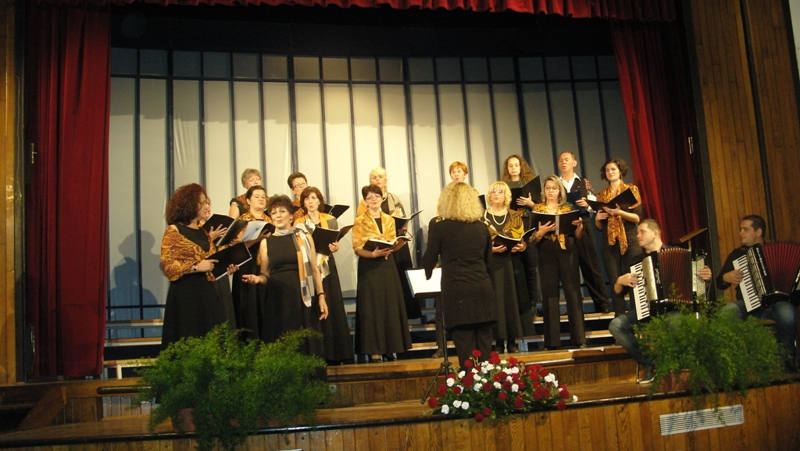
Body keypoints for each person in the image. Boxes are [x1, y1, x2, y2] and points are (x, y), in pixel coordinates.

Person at [609, 219, 712, 383]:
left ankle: (681, 367)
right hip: (646, 312)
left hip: (674, 310)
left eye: (642, 231)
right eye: (637, 232)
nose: (638, 235)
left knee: (674, 321)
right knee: (616, 325)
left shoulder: (681, 254)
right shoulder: (636, 261)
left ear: (655, 233)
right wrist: (620, 281)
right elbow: (617, 292)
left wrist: (705, 277)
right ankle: (650, 361)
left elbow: (699, 289)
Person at [242, 195, 328, 358]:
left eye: (282, 211)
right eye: (274, 213)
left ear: (290, 214)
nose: (278, 216)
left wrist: (321, 296)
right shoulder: (266, 242)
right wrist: (257, 279)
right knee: (282, 343)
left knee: (305, 343)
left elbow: (314, 270)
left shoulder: (304, 237)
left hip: (303, 297)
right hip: (278, 299)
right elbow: (265, 274)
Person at [422, 182, 497, 368]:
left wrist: (431, 268)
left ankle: (470, 385)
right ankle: (488, 384)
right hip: (483, 290)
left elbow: (428, 260)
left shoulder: (441, 227)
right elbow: (489, 263)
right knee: (485, 353)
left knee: (466, 353)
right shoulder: (482, 228)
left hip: (457, 292)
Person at [160, 183, 238, 350]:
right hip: (186, 294)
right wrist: (196, 267)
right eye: (203, 203)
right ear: (190, 204)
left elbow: (210, 261)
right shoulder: (174, 230)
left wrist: (226, 269)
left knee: (211, 340)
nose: (207, 206)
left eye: (207, 202)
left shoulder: (203, 231)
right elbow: (168, 266)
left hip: (208, 293)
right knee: (188, 337)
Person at [716, 215, 796, 368]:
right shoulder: (737, 254)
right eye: (741, 229)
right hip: (747, 303)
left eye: (745, 229)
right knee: (725, 314)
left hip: (776, 303)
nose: (741, 233)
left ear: (758, 232)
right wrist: (726, 277)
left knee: (787, 313)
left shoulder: (774, 251)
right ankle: (734, 364)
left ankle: (786, 361)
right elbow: (720, 283)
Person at [352, 184, 413, 363]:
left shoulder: (389, 219)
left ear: (381, 198)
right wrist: (372, 254)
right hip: (369, 267)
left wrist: (400, 242)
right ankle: (374, 351)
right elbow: (357, 247)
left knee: (389, 306)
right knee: (373, 308)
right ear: (365, 201)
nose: (373, 199)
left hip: (387, 266)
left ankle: (390, 348)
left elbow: (392, 245)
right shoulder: (360, 220)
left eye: (376, 196)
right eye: (369, 197)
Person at [294, 186, 354, 364]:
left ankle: (336, 353)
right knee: (315, 307)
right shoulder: (299, 222)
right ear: (303, 203)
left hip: (327, 264)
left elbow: (334, 242)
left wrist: (336, 247)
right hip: (310, 267)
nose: (310, 201)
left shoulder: (330, 219)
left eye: (313, 198)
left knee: (332, 304)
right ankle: (318, 352)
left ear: (320, 201)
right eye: (307, 199)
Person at [356, 167, 420, 320]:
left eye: (380, 177)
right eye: (374, 177)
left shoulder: (394, 198)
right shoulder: (364, 201)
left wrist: (403, 228)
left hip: (395, 242)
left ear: (385, 180)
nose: (377, 179)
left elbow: (403, 217)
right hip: (377, 245)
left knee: (401, 279)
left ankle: (406, 314)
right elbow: (361, 222)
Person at [531, 175, 586, 350]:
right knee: (549, 294)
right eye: (548, 188)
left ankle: (579, 338)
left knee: (572, 291)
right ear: (544, 190)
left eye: (554, 188)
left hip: (567, 250)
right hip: (546, 251)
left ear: (559, 191)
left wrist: (579, 227)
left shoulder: (568, 207)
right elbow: (533, 238)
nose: (551, 191)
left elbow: (577, 236)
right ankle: (552, 341)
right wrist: (541, 232)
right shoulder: (538, 209)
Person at [429, 161, 476, 359]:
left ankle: (473, 350)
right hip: (447, 269)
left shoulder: (474, 212)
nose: (456, 174)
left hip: (469, 270)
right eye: (453, 172)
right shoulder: (438, 221)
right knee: (442, 309)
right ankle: (442, 347)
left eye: (459, 171)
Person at [558, 152, 611, 314]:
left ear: (574, 162)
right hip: (565, 226)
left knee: (591, 265)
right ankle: (574, 308)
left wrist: (587, 204)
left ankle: (602, 303)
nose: (563, 162)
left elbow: (595, 205)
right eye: (561, 160)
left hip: (583, 222)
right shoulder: (556, 183)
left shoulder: (583, 182)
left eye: (567, 159)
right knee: (569, 268)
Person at [482, 181, 527, 353]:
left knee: (510, 301)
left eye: (500, 191)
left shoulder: (514, 215)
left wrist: (521, 246)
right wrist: (489, 249)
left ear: (506, 195)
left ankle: (512, 341)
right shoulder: (482, 216)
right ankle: (498, 342)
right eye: (493, 191)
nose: (496, 194)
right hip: (492, 264)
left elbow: (521, 237)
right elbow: (479, 240)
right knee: (496, 302)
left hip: (511, 262)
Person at [595, 158, 643, 316]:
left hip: (630, 238)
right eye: (607, 170)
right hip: (609, 241)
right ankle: (620, 316)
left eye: (613, 169)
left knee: (634, 276)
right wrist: (597, 219)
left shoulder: (631, 189)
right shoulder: (602, 195)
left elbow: (637, 218)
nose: (610, 172)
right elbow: (599, 227)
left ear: (620, 171)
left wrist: (620, 212)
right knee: (615, 279)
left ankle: (638, 314)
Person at [500, 155, 539, 336]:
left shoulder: (530, 185)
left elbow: (541, 207)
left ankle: (532, 304)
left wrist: (530, 203)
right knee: (516, 269)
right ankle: (518, 306)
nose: (514, 168)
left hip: (528, 227)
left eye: (516, 165)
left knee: (530, 267)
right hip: (511, 229)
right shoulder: (503, 187)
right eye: (510, 165)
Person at [230, 185, 270, 340]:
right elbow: (235, 246)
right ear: (248, 200)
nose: (261, 199)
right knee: (247, 307)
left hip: (266, 265)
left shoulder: (271, 220)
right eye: (257, 196)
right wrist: (257, 239)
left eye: (263, 197)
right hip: (246, 264)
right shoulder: (241, 221)